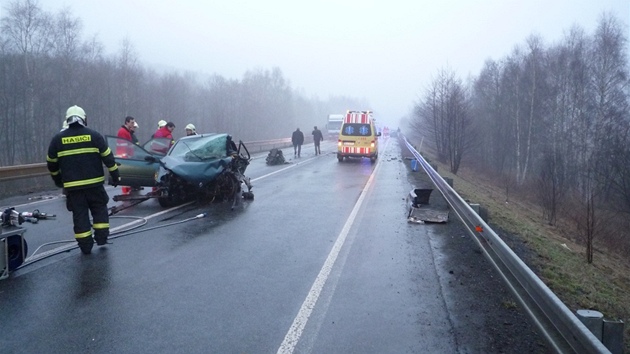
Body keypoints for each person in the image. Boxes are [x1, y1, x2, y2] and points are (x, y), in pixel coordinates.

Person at [46, 105, 120, 255]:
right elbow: (109, 158)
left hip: (74, 188)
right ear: (84, 119)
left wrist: (59, 181)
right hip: (95, 185)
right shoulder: (94, 135)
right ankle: (101, 238)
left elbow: (52, 164)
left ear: (67, 119)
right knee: (99, 209)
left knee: (80, 215)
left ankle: (85, 246)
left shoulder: (57, 140)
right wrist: (115, 175)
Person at [116, 116, 136, 195]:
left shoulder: (126, 131)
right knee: (125, 176)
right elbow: (123, 147)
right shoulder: (123, 132)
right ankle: (125, 193)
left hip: (127, 157)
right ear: (127, 122)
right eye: (132, 122)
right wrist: (127, 156)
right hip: (124, 157)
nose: (133, 124)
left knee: (128, 176)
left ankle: (127, 192)